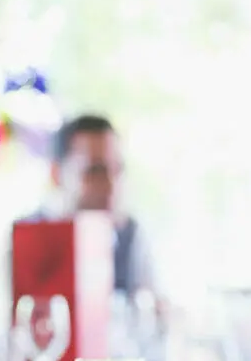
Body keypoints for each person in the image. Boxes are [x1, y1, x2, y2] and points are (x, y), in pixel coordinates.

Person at [23, 114, 161, 299]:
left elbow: (152, 307)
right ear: (56, 175)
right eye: (95, 170)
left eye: (117, 169)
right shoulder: (27, 238)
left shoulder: (131, 234)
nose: (111, 185)